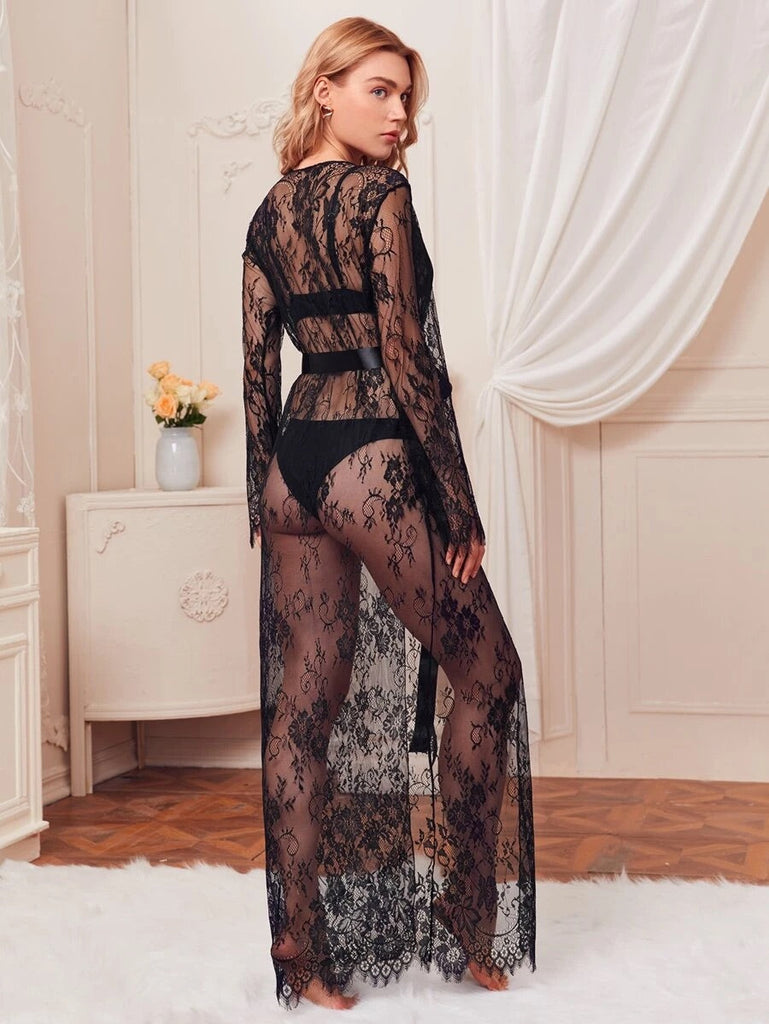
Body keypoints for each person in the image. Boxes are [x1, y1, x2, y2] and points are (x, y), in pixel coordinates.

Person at [241, 16, 536, 1011]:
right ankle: (465, 912)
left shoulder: (268, 212)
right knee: (488, 674)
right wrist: (457, 502)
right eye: (379, 90)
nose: (399, 113)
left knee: (302, 711)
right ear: (323, 89)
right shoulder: (381, 198)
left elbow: (255, 367)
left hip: (294, 463)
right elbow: (409, 362)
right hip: (372, 457)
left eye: (406, 96)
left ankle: (299, 945)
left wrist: (262, 492)